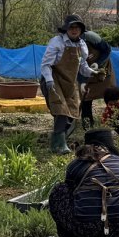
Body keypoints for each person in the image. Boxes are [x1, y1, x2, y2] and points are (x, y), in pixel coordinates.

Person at [41, 15, 94, 154]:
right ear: (66, 29)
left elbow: (83, 67)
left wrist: (93, 72)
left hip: (69, 82)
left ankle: (57, 141)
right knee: (61, 111)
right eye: (71, 27)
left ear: (81, 30)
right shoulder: (57, 42)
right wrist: (49, 80)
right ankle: (60, 144)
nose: (74, 30)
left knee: (71, 112)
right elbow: (46, 64)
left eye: (77, 27)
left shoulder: (82, 45)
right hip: (53, 79)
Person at [80, 30, 113, 130]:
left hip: (103, 69)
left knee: (110, 97)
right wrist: (81, 81)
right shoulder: (67, 43)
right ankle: (88, 127)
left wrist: (98, 63)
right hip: (86, 71)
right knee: (85, 98)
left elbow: (107, 50)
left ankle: (114, 122)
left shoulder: (91, 37)